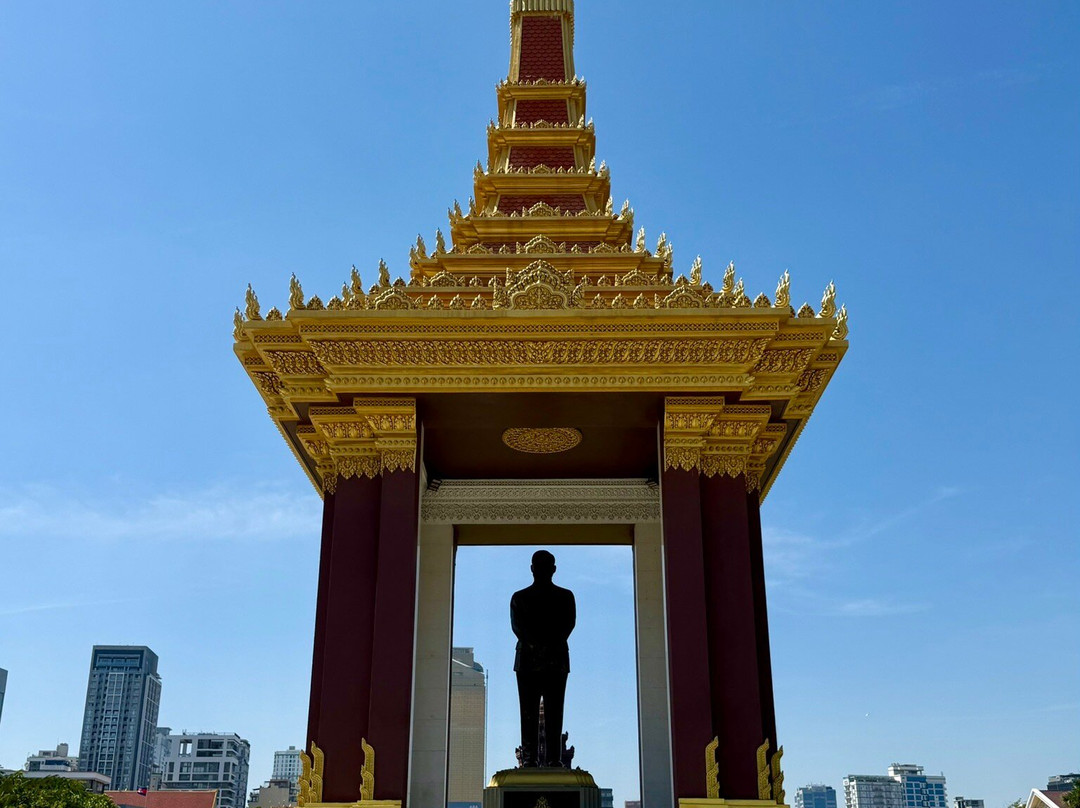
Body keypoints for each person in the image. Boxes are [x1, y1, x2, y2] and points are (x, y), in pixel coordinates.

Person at [510, 549, 577, 767]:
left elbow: (568, 625)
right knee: (530, 712)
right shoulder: (519, 598)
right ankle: (531, 759)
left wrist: (538, 646)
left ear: (552, 570)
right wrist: (544, 647)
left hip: (545, 660)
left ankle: (552, 759)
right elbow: (518, 627)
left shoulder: (565, 597)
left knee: (553, 712)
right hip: (543, 660)